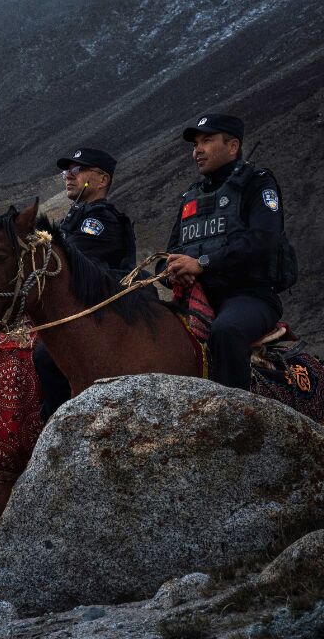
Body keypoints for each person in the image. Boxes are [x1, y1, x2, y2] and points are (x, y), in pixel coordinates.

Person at [163, 113, 287, 390]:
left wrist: (202, 264)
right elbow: (171, 253)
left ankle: (233, 420)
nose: (198, 150)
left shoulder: (258, 183)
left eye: (207, 141)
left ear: (232, 147)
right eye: (196, 144)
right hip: (196, 298)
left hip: (250, 296)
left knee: (225, 331)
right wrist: (173, 272)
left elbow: (263, 240)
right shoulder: (190, 197)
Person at [35, 147, 138, 420]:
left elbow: (71, 267)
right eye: (65, 171)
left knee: (46, 355)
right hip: (80, 307)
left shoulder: (100, 219)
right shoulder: (77, 217)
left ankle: (57, 421)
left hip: (104, 309)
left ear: (102, 179)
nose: (68, 176)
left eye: (77, 170)